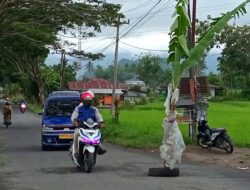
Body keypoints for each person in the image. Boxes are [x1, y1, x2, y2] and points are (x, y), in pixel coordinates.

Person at [71, 90, 106, 158]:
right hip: (81, 128)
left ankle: (99, 147)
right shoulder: (78, 109)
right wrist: (75, 121)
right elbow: (73, 116)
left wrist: (101, 122)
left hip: (92, 128)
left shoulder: (94, 109)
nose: (87, 102)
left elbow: (99, 117)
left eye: (89, 101)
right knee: (76, 134)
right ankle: (76, 151)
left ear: (91, 101)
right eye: (86, 100)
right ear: (83, 101)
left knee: (99, 133)